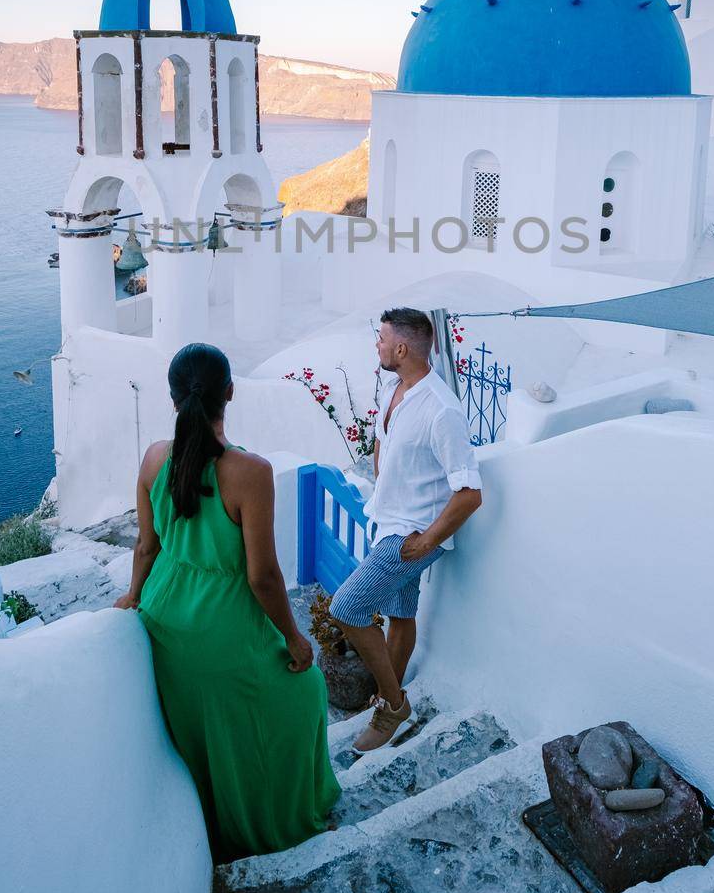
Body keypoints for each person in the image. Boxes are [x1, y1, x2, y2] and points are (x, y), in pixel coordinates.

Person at [114, 342, 339, 861]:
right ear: (230, 394)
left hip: (167, 618)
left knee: (206, 732)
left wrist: (131, 596)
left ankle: (214, 827)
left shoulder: (153, 459)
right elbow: (262, 577)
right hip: (225, 623)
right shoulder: (250, 473)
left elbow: (147, 545)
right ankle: (274, 821)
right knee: (302, 698)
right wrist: (294, 636)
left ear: (173, 399)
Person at [330, 307, 482, 753]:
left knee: (347, 608)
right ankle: (386, 704)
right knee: (401, 614)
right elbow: (383, 442)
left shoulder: (441, 410)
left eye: (381, 339)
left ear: (401, 347)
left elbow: (470, 491)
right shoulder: (396, 389)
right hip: (389, 520)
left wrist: (427, 540)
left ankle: (395, 705)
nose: (376, 346)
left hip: (409, 536)